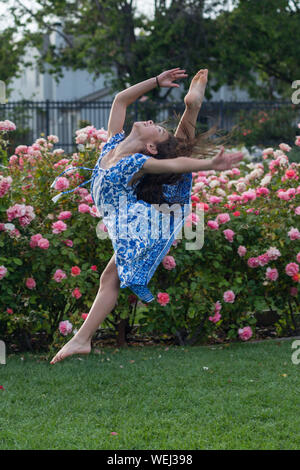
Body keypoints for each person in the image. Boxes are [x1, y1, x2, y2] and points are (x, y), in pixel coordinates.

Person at [50, 68, 244, 364]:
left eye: (159, 130)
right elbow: (120, 100)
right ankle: (81, 340)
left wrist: (210, 165)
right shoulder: (113, 144)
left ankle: (81, 339)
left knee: (111, 278)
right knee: (109, 278)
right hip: (124, 220)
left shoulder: (137, 162)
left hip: (137, 224)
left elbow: (174, 163)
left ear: (150, 146)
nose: (154, 122)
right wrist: (155, 81)